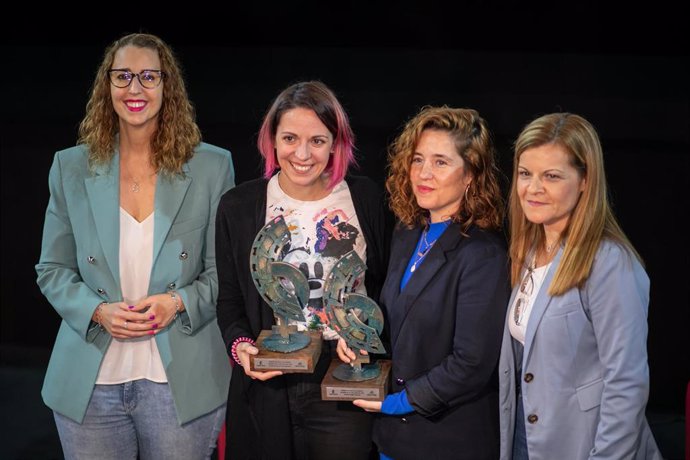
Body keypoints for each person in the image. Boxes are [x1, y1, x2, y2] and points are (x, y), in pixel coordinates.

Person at [35, 33, 234, 459]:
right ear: (107, 86)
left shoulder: (212, 167)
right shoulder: (70, 167)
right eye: (123, 76)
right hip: (89, 385)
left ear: (168, 87)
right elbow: (51, 269)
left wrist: (177, 302)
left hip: (182, 380)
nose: (135, 89)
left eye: (148, 76)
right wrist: (96, 310)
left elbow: (225, 274)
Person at [215, 80, 390, 460]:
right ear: (273, 141)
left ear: (335, 142)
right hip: (269, 384)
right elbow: (228, 299)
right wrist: (241, 345)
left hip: (344, 379)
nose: (303, 154)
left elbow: (386, 288)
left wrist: (365, 333)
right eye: (291, 138)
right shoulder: (239, 206)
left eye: (318, 140)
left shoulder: (365, 198)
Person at [341, 106, 511, 459]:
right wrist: (362, 343)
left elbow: (472, 363)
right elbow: (398, 323)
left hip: (445, 440)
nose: (423, 173)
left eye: (440, 162)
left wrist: (399, 402)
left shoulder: (484, 254)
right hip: (393, 439)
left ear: (470, 175)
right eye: (418, 160)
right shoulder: (407, 232)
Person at [498, 113, 662, 459]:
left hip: (586, 447)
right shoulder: (528, 250)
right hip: (526, 440)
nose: (533, 188)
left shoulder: (610, 262)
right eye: (525, 174)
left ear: (585, 180)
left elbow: (627, 385)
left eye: (552, 176)